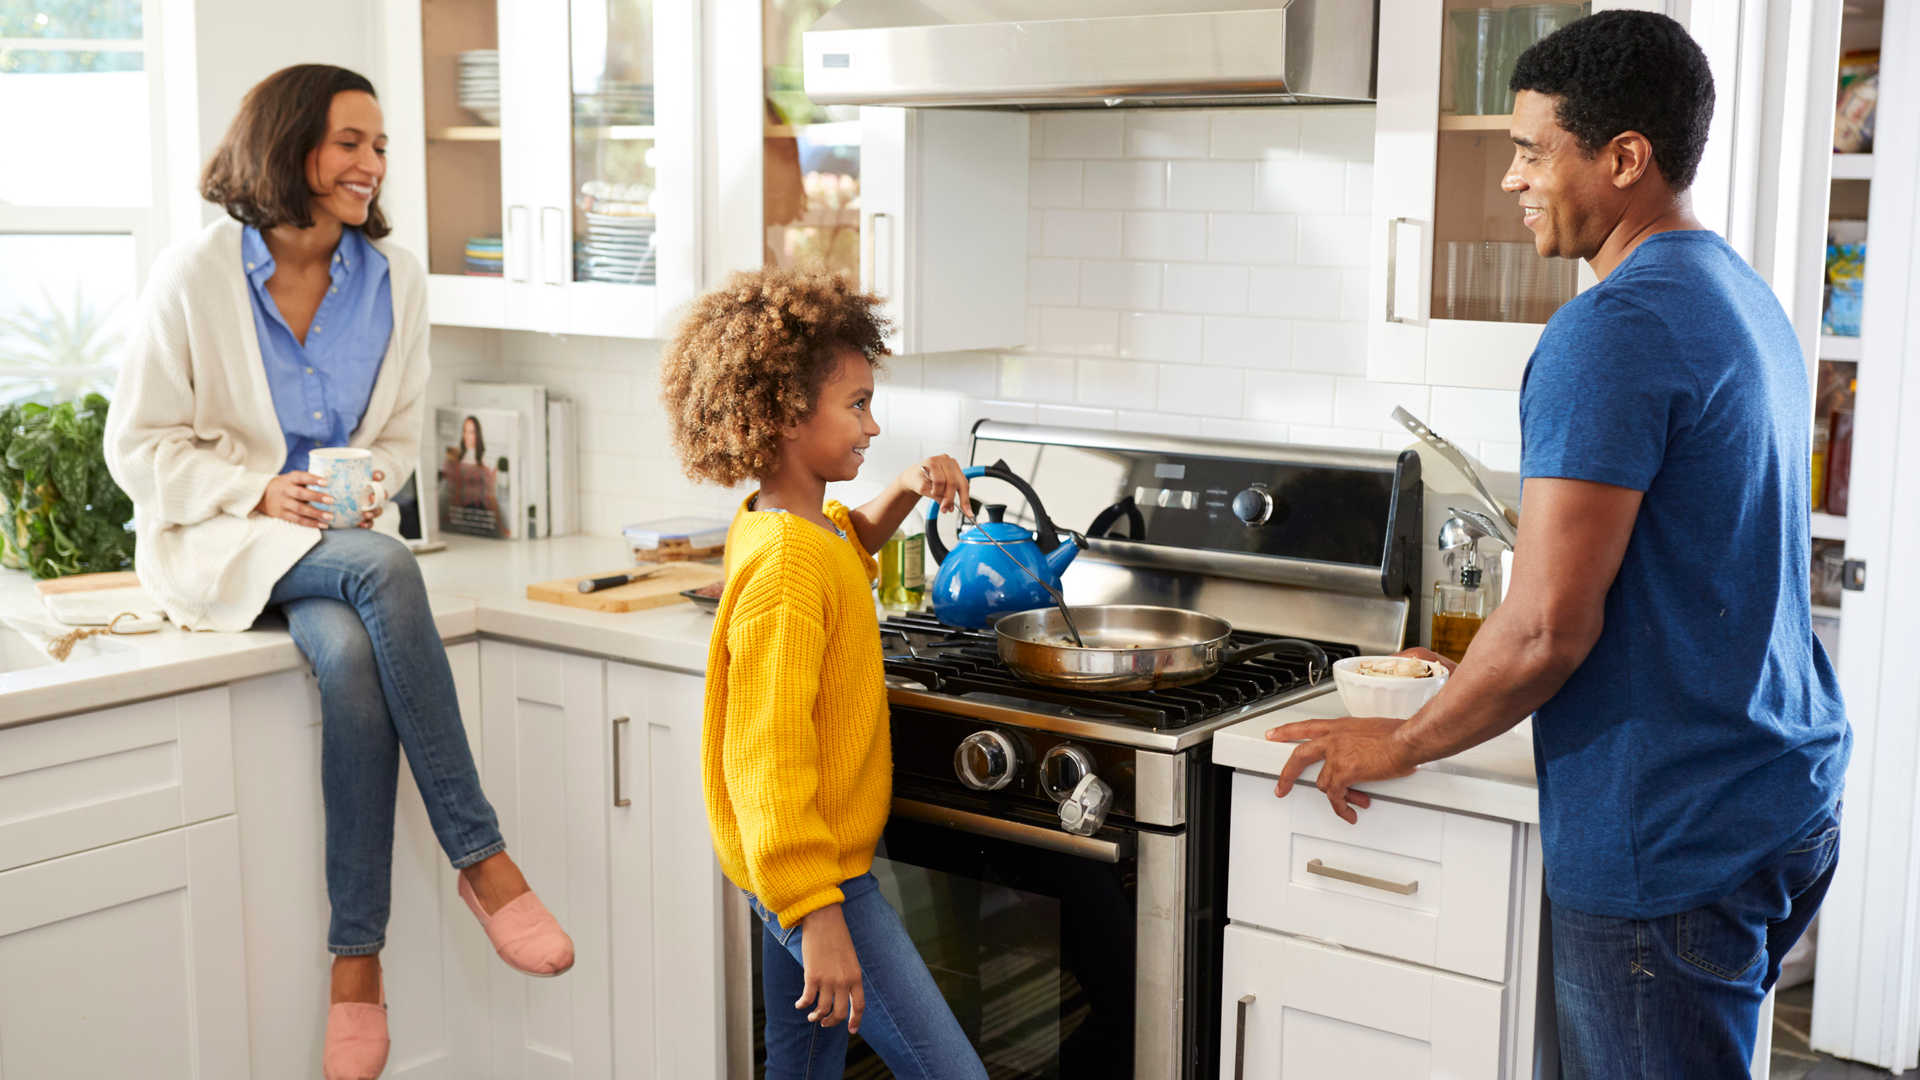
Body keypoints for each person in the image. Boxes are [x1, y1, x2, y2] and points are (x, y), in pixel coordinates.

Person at [1262, 13, 1850, 1078]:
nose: (1510, 179)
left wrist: (1393, 743)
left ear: (1626, 159)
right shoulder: (1736, 292)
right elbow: (1675, 564)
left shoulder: (1610, 329)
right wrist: (1467, 674)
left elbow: (1544, 630)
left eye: (1534, 151)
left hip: (1670, 829)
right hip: (1776, 789)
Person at [104, 64, 573, 1080]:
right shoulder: (197, 278)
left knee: (355, 660)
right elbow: (136, 448)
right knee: (383, 575)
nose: (371, 164)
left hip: (340, 554)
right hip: (226, 545)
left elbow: (399, 433)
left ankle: (354, 969)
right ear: (289, 147)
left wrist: (365, 489)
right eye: (349, 142)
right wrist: (255, 489)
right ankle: (483, 860)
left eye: (380, 146)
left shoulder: (396, 277)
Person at [660, 266, 990, 1080]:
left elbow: (844, 546)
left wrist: (906, 490)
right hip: (816, 878)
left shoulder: (786, 526)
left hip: (795, 869)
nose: (874, 427)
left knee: (802, 1070)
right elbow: (765, 759)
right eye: (858, 405)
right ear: (780, 414)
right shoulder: (784, 571)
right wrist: (819, 915)